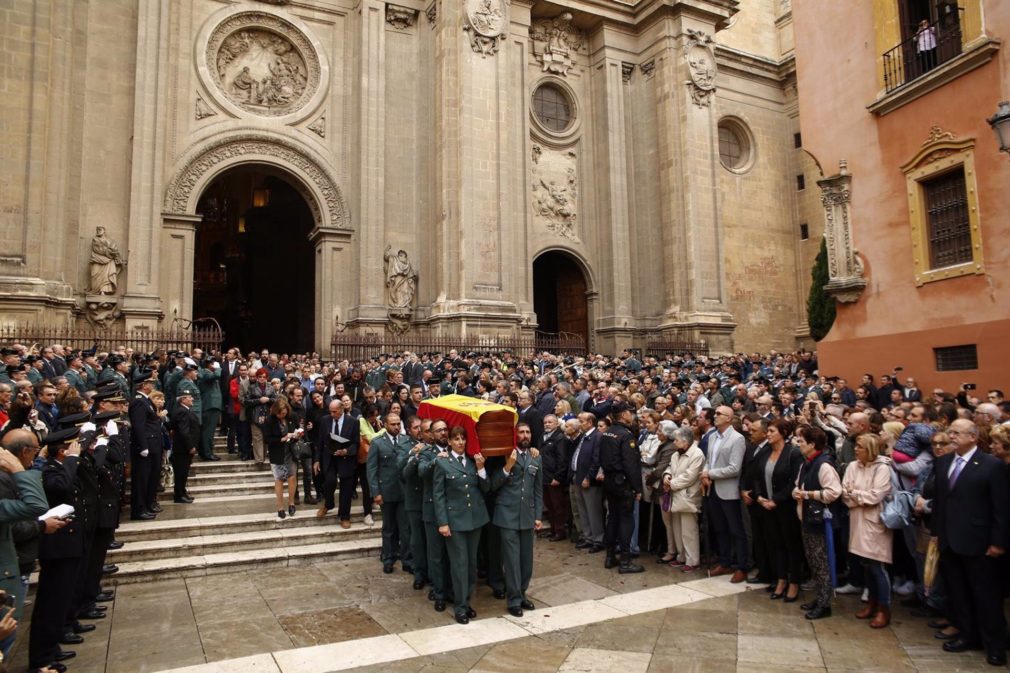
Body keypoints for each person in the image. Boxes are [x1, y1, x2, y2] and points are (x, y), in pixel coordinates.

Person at [930, 419, 1008, 667]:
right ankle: (968, 635)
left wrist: (998, 541)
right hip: (949, 540)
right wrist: (936, 533)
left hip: (979, 541)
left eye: (957, 433)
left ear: (973, 437)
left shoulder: (991, 465)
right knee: (959, 593)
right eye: (950, 432)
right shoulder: (943, 462)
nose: (951, 437)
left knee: (986, 597)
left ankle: (995, 645)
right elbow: (942, 502)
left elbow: (1001, 507)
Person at [433, 426, 489, 624]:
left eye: (462, 439)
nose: (459, 442)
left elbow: (486, 489)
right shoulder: (442, 462)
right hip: (455, 521)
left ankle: (467, 601)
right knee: (459, 564)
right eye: (455, 439)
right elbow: (438, 495)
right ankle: (460, 607)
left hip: (475, 519)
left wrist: (482, 469)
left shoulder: (474, 462)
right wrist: (443, 523)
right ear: (449, 442)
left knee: (472, 564)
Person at [490, 422, 543, 617]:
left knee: (526, 560)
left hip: (527, 515)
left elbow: (538, 489)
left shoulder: (536, 457)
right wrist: (507, 467)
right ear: (515, 435)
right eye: (521, 432)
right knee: (511, 561)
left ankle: (522, 593)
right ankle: (513, 599)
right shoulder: (504, 455)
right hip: (507, 515)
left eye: (528, 432)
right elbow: (493, 485)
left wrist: (538, 515)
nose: (525, 435)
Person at [841, 432, 894, 628]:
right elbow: (843, 492)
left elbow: (875, 496)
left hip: (875, 523)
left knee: (877, 567)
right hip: (857, 519)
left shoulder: (882, 468)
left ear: (870, 449)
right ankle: (871, 602)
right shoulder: (853, 466)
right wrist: (857, 496)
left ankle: (883, 608)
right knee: (865, 565)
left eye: (860, 447)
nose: (855, 449)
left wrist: (854, 494)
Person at [793, 425, 842, 620]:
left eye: (802, 442)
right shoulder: (807, 463)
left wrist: (806, 494)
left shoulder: (824, 465)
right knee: (813, 560)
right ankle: (819, 597)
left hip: (820, 521)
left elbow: (833, 492)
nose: (798, 444)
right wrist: (796, 492)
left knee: (821, 562)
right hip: (807, 518)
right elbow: (798, 484)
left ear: (813, 444)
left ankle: (824, 603)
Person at [753, 418, 804, 602]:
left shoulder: (793, 453)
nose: (768, 434)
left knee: (791, 545)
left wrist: (776, 500)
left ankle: (794, 582)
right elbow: (757, 476)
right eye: (767, 431)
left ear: (783, 432)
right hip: (766, 506)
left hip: (786, 507)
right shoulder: (765, 452)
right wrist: (759, 496)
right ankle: (781, 579)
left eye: (772, 431)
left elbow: (794, 481)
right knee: (776, 545)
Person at [702, 406, 748, 582]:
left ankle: (741, 567)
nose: (715, 416)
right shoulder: (713, 436)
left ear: (728, 418)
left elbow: (734, 468)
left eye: (719, 414)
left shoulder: (737, 439)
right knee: (720, 528)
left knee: (736, 530)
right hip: (713, 489)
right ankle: (725, 562)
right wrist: (706, 472)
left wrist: (710, 474)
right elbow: (708, 460)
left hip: (729, 491)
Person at [599, 402, 644, 574]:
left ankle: (610, 557)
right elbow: (631, 465)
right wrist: (637, 488)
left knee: (613, 519)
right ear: (624, 414)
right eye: (630, 413)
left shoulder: (607, 433)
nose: (632, 416)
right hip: (622, 482)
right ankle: (625, 561)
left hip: (610, 481)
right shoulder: (626, 435)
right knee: (626, 520)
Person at [367, 413, 411, 573]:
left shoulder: (406, 441)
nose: (396, 427)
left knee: (405, 528)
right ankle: (388, 557)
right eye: (393, 424)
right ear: (385, 424)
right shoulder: (378, 443)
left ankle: (407, 559)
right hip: (386, 491)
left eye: (398, 423)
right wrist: (375, 492)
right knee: (389, 527)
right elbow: (371, 469)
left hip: (404, 491)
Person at [661, 425, 704, 571]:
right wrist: (666, 476)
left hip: (688, 497)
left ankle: (692, 561)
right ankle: (681, 556)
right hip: (675, 496)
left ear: (686, 442)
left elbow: (690, 477)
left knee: (689, 530)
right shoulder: (676, 454)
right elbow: (669, 467)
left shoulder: (697, 454)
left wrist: (671, 484)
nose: (674, 442)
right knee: (677, 529)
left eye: (677, 440)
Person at [314, 399, 359, 528]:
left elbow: (356, 443)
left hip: (346, 459)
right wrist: (317, 459)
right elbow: (320, 442)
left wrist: (347, 451)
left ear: (342, 409)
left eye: (335, 412)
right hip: (329, 457)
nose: (332, 414)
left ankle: (344, 516)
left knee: (346, 488)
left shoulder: (353, 422)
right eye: (331, 412)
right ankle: (328, 504)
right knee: (329, 482)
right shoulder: (325, 420)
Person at [128, 370, 162, 521]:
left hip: (153, 443)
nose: (152, 385)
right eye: (150, 383)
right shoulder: (138, 401)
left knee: (150, 477)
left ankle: (147, 505)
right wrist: (143, 446)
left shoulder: (145, 400)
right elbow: (139, 425)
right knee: (141, 479)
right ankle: (138, 509)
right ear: (143, 385)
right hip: (146, 445)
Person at [401, 417, 428, 590]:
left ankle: (432, 575)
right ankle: (419, 574)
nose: (419, 431)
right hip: (415, 500)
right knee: (417, 541)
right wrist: (414, 453)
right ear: (410, 430)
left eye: (422, 428)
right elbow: (401, 468)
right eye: (416, 428)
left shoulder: (433, 448)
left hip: (430, 500)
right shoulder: (405, 446)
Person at [570, 412, 604, 553]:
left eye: (581, 421)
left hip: (588, 480)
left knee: (593, 510)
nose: (579, 423)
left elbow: (596, 460)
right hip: (578, 477)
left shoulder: (597, 436)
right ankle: (587, 536)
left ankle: (598, 539)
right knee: (582, 510)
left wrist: (588, 477)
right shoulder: (584, 435)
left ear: (590, 422)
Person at [264, 399, 301, 520]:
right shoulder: (269, 420)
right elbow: (267, 439)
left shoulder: (292, 417)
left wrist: (297, 435)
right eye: (280, 414)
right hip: (277, 453)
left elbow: (296, 430)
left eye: (284, 413)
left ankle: (291, 503)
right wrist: (282, 438)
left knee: (292, 477)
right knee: (279, 479)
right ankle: (280, 507)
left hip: (290, 452)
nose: (282, 415)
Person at [540, 414, 569, 541]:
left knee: (558, 506)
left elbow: (562, 459)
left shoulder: (560, 438)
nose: (547, 424)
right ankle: (552, 529)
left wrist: (557, 477)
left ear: (556, 424)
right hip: (544, 476)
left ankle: (560, 531)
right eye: (545, 422)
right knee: (549, 506)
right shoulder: (542, 437)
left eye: (550, 422)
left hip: (554, 478)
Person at [170, 390, 199, 504]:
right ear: (183, 399)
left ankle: (183, 492)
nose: (192, 399)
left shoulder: (186, 410)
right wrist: (190, 446)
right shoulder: (182, 411)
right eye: (189, 397)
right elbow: (184, 431)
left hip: (184, 448)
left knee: (184, 472)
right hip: (182, 448)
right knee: (181, 472)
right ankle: (179, 495)